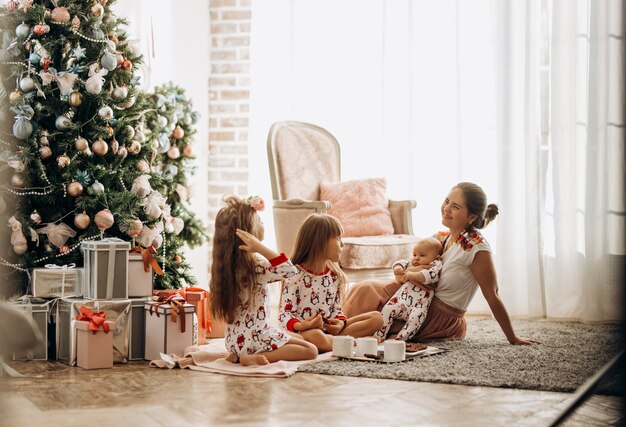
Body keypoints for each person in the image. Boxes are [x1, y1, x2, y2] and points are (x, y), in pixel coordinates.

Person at [343, 182, 538, 345]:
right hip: (413, 294)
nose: (446, 209)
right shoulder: (442, 238)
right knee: (365, 289)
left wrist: (513, 338)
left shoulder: (476, 249)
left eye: (456, 206)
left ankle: (333, 336)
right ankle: (333, 328)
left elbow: (492, 295)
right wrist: (402, 270)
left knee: (375, 320)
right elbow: (416, 263)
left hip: (436, 315)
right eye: (446, 201)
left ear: (471, 217)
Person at [209, 195, 318, 366]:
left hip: (234, 340)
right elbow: (290, 270)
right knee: (311, 350)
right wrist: (260, 248)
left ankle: (238, 355)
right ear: (249, 233)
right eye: (259, 221)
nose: (263, 223)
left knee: (296, 337)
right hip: (255, 338)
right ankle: (249, 358)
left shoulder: (229, 266)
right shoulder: (255, 265)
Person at [278, 213, 383, 352]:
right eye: (338, 238)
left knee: (377, 318)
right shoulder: (294, 275)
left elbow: (336, 310)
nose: (343, 244)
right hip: (303, 333)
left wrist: (339, 323)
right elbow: (284, 315)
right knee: (315, 336)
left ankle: (337, 343)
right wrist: (302, 326)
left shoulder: (335, 276)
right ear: (320, 241)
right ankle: (353, 343)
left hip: (328, 332)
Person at [375, 236, 443, 342]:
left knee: (416, 320)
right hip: (400, 300)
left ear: (437, 257)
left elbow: (430, 276)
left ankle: (399, 339)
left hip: (418, 305)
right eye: (414, 254)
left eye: (422, 255)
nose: (416, 258)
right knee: (387, 310)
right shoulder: (413, 262)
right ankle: (379, 335)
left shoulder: (435, 265)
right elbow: (402, 262)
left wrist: (413, 275)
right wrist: (398, 268)